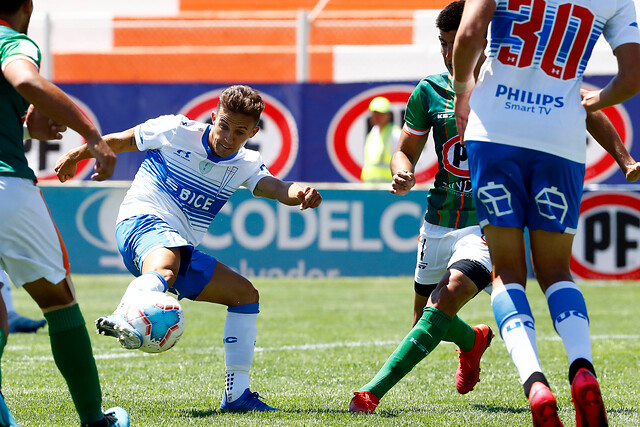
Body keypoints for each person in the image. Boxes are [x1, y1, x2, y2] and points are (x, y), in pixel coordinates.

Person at [349, 0, 640, 416]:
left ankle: (372, 394)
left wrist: (625, 159)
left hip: (481, 217)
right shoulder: (429, 90)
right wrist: (402, 172)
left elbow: (580, 101)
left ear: (487, 36)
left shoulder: (496, 78)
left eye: (455, 43)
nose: (450, 53)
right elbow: (405, 150)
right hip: (439, 221)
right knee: (427, 321)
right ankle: (478, 342)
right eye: (441, 44)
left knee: (455, 298)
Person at [55, 84, 323, 412]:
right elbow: (120, 141)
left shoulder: (246, 162)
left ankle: (236, 395)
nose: (228, 137)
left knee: (244, 295)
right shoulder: (175, 129)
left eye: (240, 132)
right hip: (141, 219)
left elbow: (278, 188)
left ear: (253, 132)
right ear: (214, 116)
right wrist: (75, 155)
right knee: (165, 267)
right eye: (224, 125)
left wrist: (301, 192)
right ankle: (124, 313)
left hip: (180, 246)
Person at [452, 0, 640, 425]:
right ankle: (582, 370)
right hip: (560, 137)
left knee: (507, 273)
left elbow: (467, 36)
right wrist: (597, 98)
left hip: (495, 131)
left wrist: (463, 93)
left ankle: (535, 382)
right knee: (556, 271)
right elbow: (632, 78)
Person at [0, 0, 129, 426]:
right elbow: (22, 77)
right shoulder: (12, 39)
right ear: (26, 6)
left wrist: (21, 125)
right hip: (6, 188)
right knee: (58, 301)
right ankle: (95, 420)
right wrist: (91, 133)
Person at [361, 96, 401, 183]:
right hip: (369, 186)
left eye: (381, 113)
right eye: (374, 113)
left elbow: (401, 161)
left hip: (388, 187)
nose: (377, 117)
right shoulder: (373, 133)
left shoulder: (395, 134)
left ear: (388, 115)